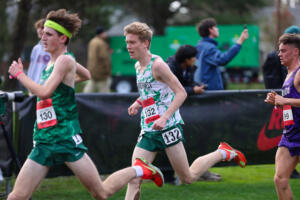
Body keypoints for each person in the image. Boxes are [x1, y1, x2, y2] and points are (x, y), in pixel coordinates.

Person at [7, 9, 164, 200]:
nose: (43, 39)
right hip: (44, 140)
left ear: (63, 38)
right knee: (17, 197)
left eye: (48, 34)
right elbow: (87, 75)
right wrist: (68, 81)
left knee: (101, 194)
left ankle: (139, 170)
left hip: (65, 139)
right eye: (43, 34)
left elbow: (45, 92)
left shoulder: (65, 60)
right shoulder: (53, 62)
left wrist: (20, 75)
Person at [124, 21, 247, 200]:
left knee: (187, 178)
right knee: (135, 178)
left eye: (132, 42)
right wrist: (138, 102)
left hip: (168, 128)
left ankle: (222, 152)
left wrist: (165, 118)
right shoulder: (137, 66)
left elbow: (181, 92)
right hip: (149, 130)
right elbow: (151, 92)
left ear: (146, 43)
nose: (128, 46)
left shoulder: (157, 65)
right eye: (127, 42)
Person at [167, 45, 221, 182]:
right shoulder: (169, 68)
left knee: (192, 142)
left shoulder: (188, 68)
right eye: (194, 57)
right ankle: (167, 176)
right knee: (168, 144)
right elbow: (172, 88)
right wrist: (193, 90)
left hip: (186, 112)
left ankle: (199, 171)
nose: (196, 60)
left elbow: (187, 83)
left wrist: (197, 86)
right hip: (168, 113)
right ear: (186, 59)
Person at [264, 33, 300, 200]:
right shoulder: (288, 74)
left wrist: (284, 99)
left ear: (296, 52)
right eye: (279, 50)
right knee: (280, 179)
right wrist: (278, 102)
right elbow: (291, 103)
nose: (279, 54)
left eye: (284, 50)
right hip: (291, 134)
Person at [194, 18, 248, 90]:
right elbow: (223, 59)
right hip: (210, 93)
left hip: (203, 90)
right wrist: (240, 41)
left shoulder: (200, 46)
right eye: (215, 27)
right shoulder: (209, 48)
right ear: (210, 29)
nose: (217, 29)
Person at [83, 26, 112, 93]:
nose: (106, 34)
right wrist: (108, 71)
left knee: (89, 89)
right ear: (101, 33)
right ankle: (105, 103)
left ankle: (83, 100)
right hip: (101, 71)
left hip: (92, 70)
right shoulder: (101, 43)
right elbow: (104, 57)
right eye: (104, 33)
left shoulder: (92, 42)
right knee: (105, 91)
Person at [27, 18, 50, 84]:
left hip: (46, 86)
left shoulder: (53, 49)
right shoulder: (36, 48)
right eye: (38, 28)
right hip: (34, 86)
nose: (39, 30)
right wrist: (29, 84)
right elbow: (32, 68)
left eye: (42, 27)